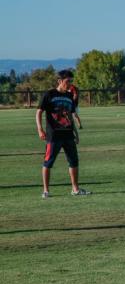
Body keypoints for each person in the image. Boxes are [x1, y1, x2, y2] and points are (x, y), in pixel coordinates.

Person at [36, 69, 90, 198]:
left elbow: (70, 116)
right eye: (68, 81)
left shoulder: (69, 96)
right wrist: (40, 129)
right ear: (60, 81)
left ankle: (75, 189)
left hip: (68, 135)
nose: (70, 84)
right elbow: (39, 112)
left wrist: (76, 132)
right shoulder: (49, 94)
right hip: (54, 135)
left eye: (71, 81)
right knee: (48, 162)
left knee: (74, 162)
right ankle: (46, 191)